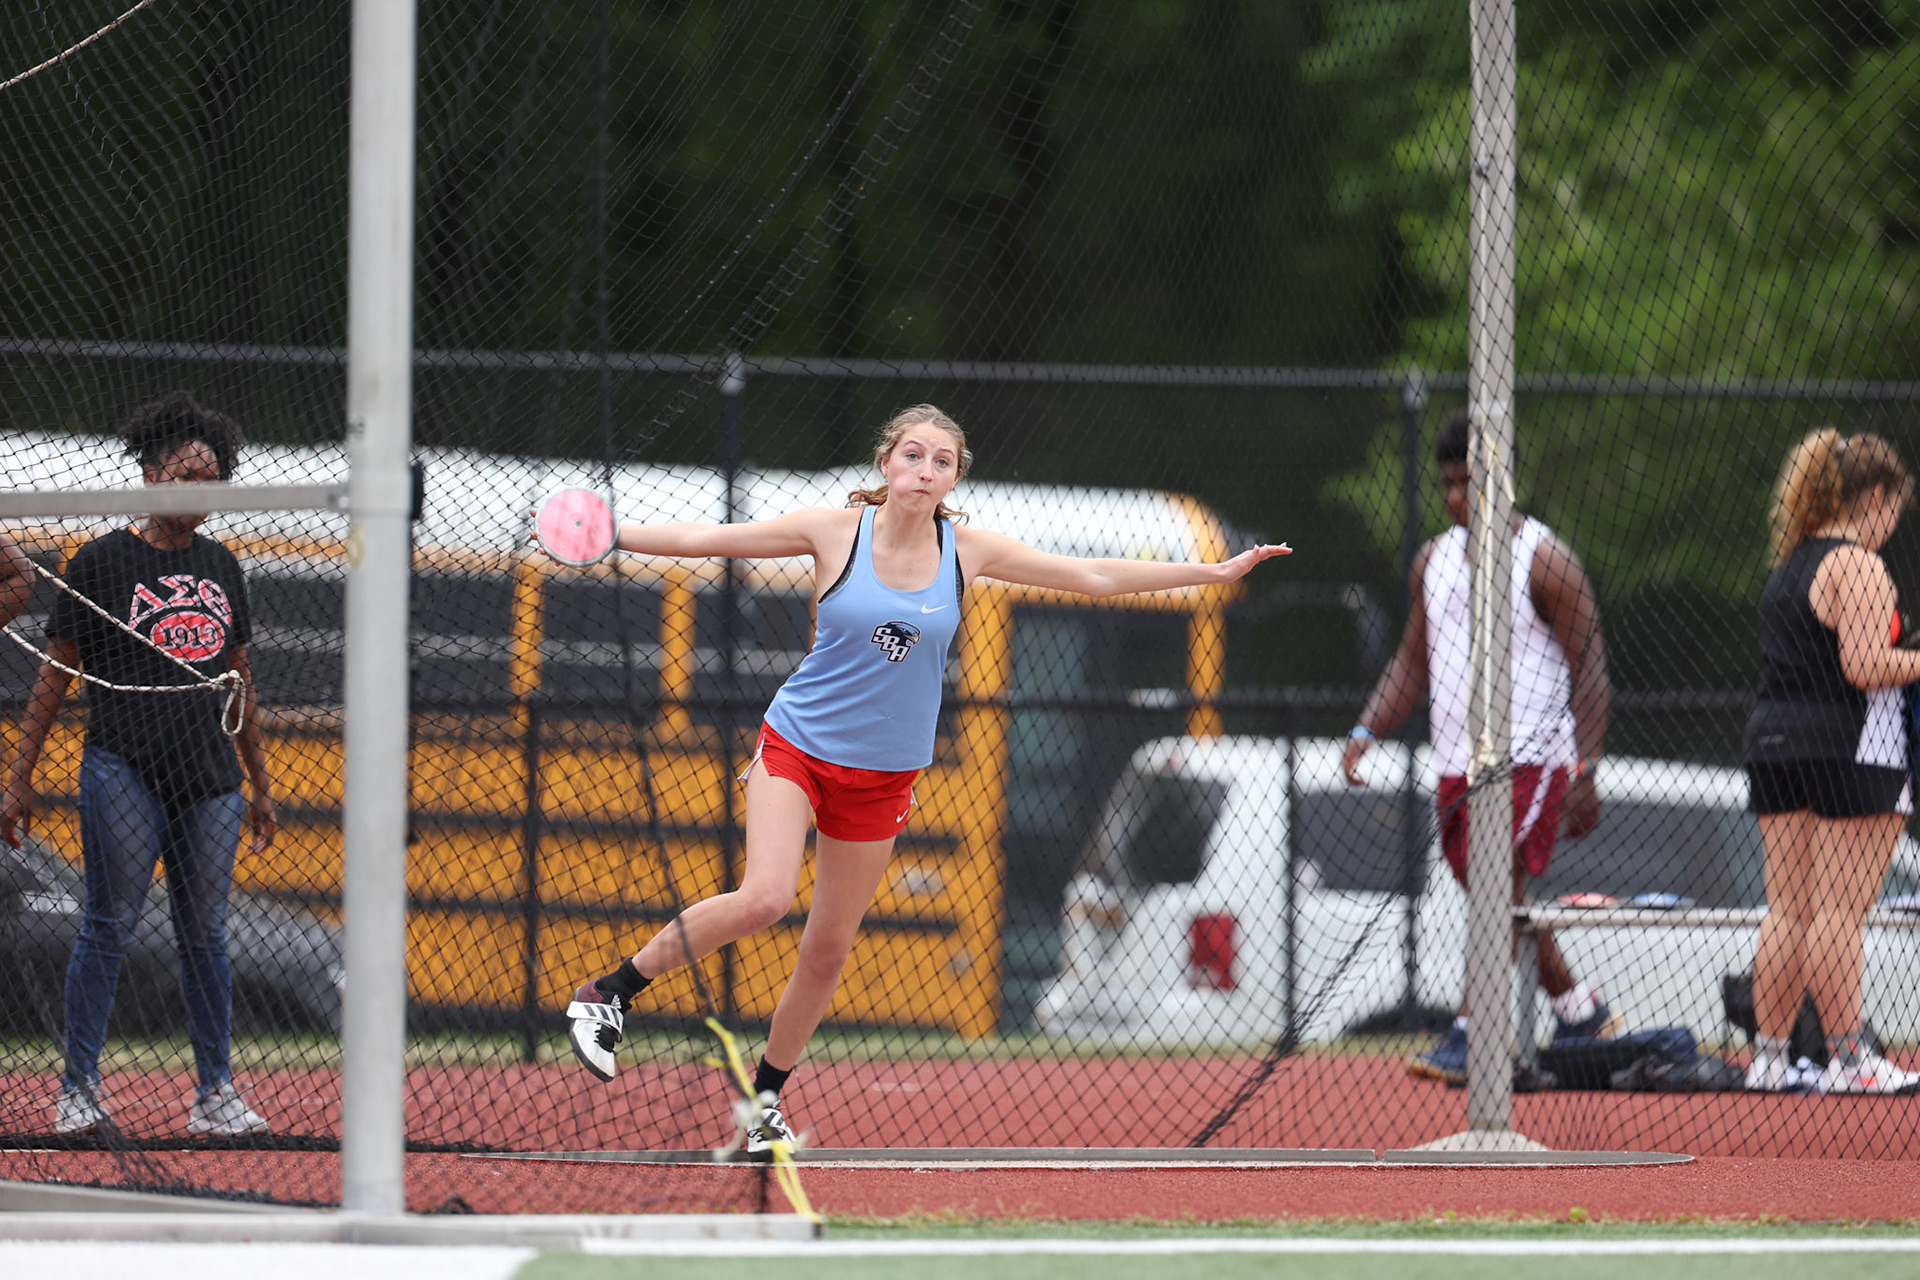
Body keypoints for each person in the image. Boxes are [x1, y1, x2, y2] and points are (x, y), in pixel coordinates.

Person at [552, 404, 1290, 1153]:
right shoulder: (833, 531)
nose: (925, 470)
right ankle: (609, 995)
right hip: (798, 746)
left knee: (829, 949)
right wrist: (610, 534)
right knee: (767, 895)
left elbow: (1093, 576)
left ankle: (762, 1104)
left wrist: (1212, 571)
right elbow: (706, 542)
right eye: (913, 455)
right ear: (886, 464)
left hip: (883, 776)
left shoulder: (966, 551)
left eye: (941, 461)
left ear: (954, 477)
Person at [1, 393, 279, 1136]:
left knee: (206, 936)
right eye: (190, 472)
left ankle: (216, 1095)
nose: (204, 487)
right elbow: (53, 677)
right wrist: (20, 778)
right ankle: (79, 1092)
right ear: (152, 474)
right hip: (122, 767)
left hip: (209, 779)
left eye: (214, 476)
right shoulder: (99, 559)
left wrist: (260, 782)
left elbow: (240, 680)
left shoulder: (223, 566)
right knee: (109, 924)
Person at [1342, 409, 1614, 1085]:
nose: (1456, 497)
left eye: (1469, 482)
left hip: (1531, 754)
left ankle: (1470, 1033)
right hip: (1457, 762)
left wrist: (1584, 768)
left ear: (1503, 480)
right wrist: (1365, 729)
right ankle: (1579, 1010)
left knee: (1498, 883)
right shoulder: (1432, 562)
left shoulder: (1545, 560)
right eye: (1447, 483)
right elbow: (1411, 662)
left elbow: (1593, 669)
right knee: (1501, 895)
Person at [1742, 430, 1920, 1095]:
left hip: (1773, 743)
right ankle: (1849, 1058)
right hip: (1846, 745)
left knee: (1788, 908)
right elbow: (1866, 665)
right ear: (1877, 497)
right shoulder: (1860, 565)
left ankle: (1768, 1058)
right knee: (1841, 912)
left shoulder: (1789, 564)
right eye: (1896, 508)